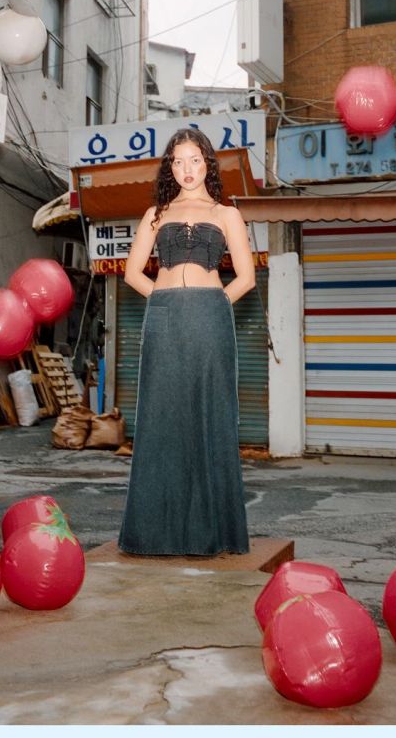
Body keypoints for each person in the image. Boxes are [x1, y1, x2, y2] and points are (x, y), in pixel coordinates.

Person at [118, 128, 254, 556]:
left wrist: (215, 302)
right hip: (163, 318)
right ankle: (154, 533)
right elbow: (132, 272)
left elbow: (246, 278)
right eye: (177, 161)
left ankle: (213, 532)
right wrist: (162, 298)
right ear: (169, 167)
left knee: (211, 413)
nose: (186, 169)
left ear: (208, 163)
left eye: (194, 159)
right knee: (161, 416)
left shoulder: (227, 213)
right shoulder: (155, 214)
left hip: (210, 317)